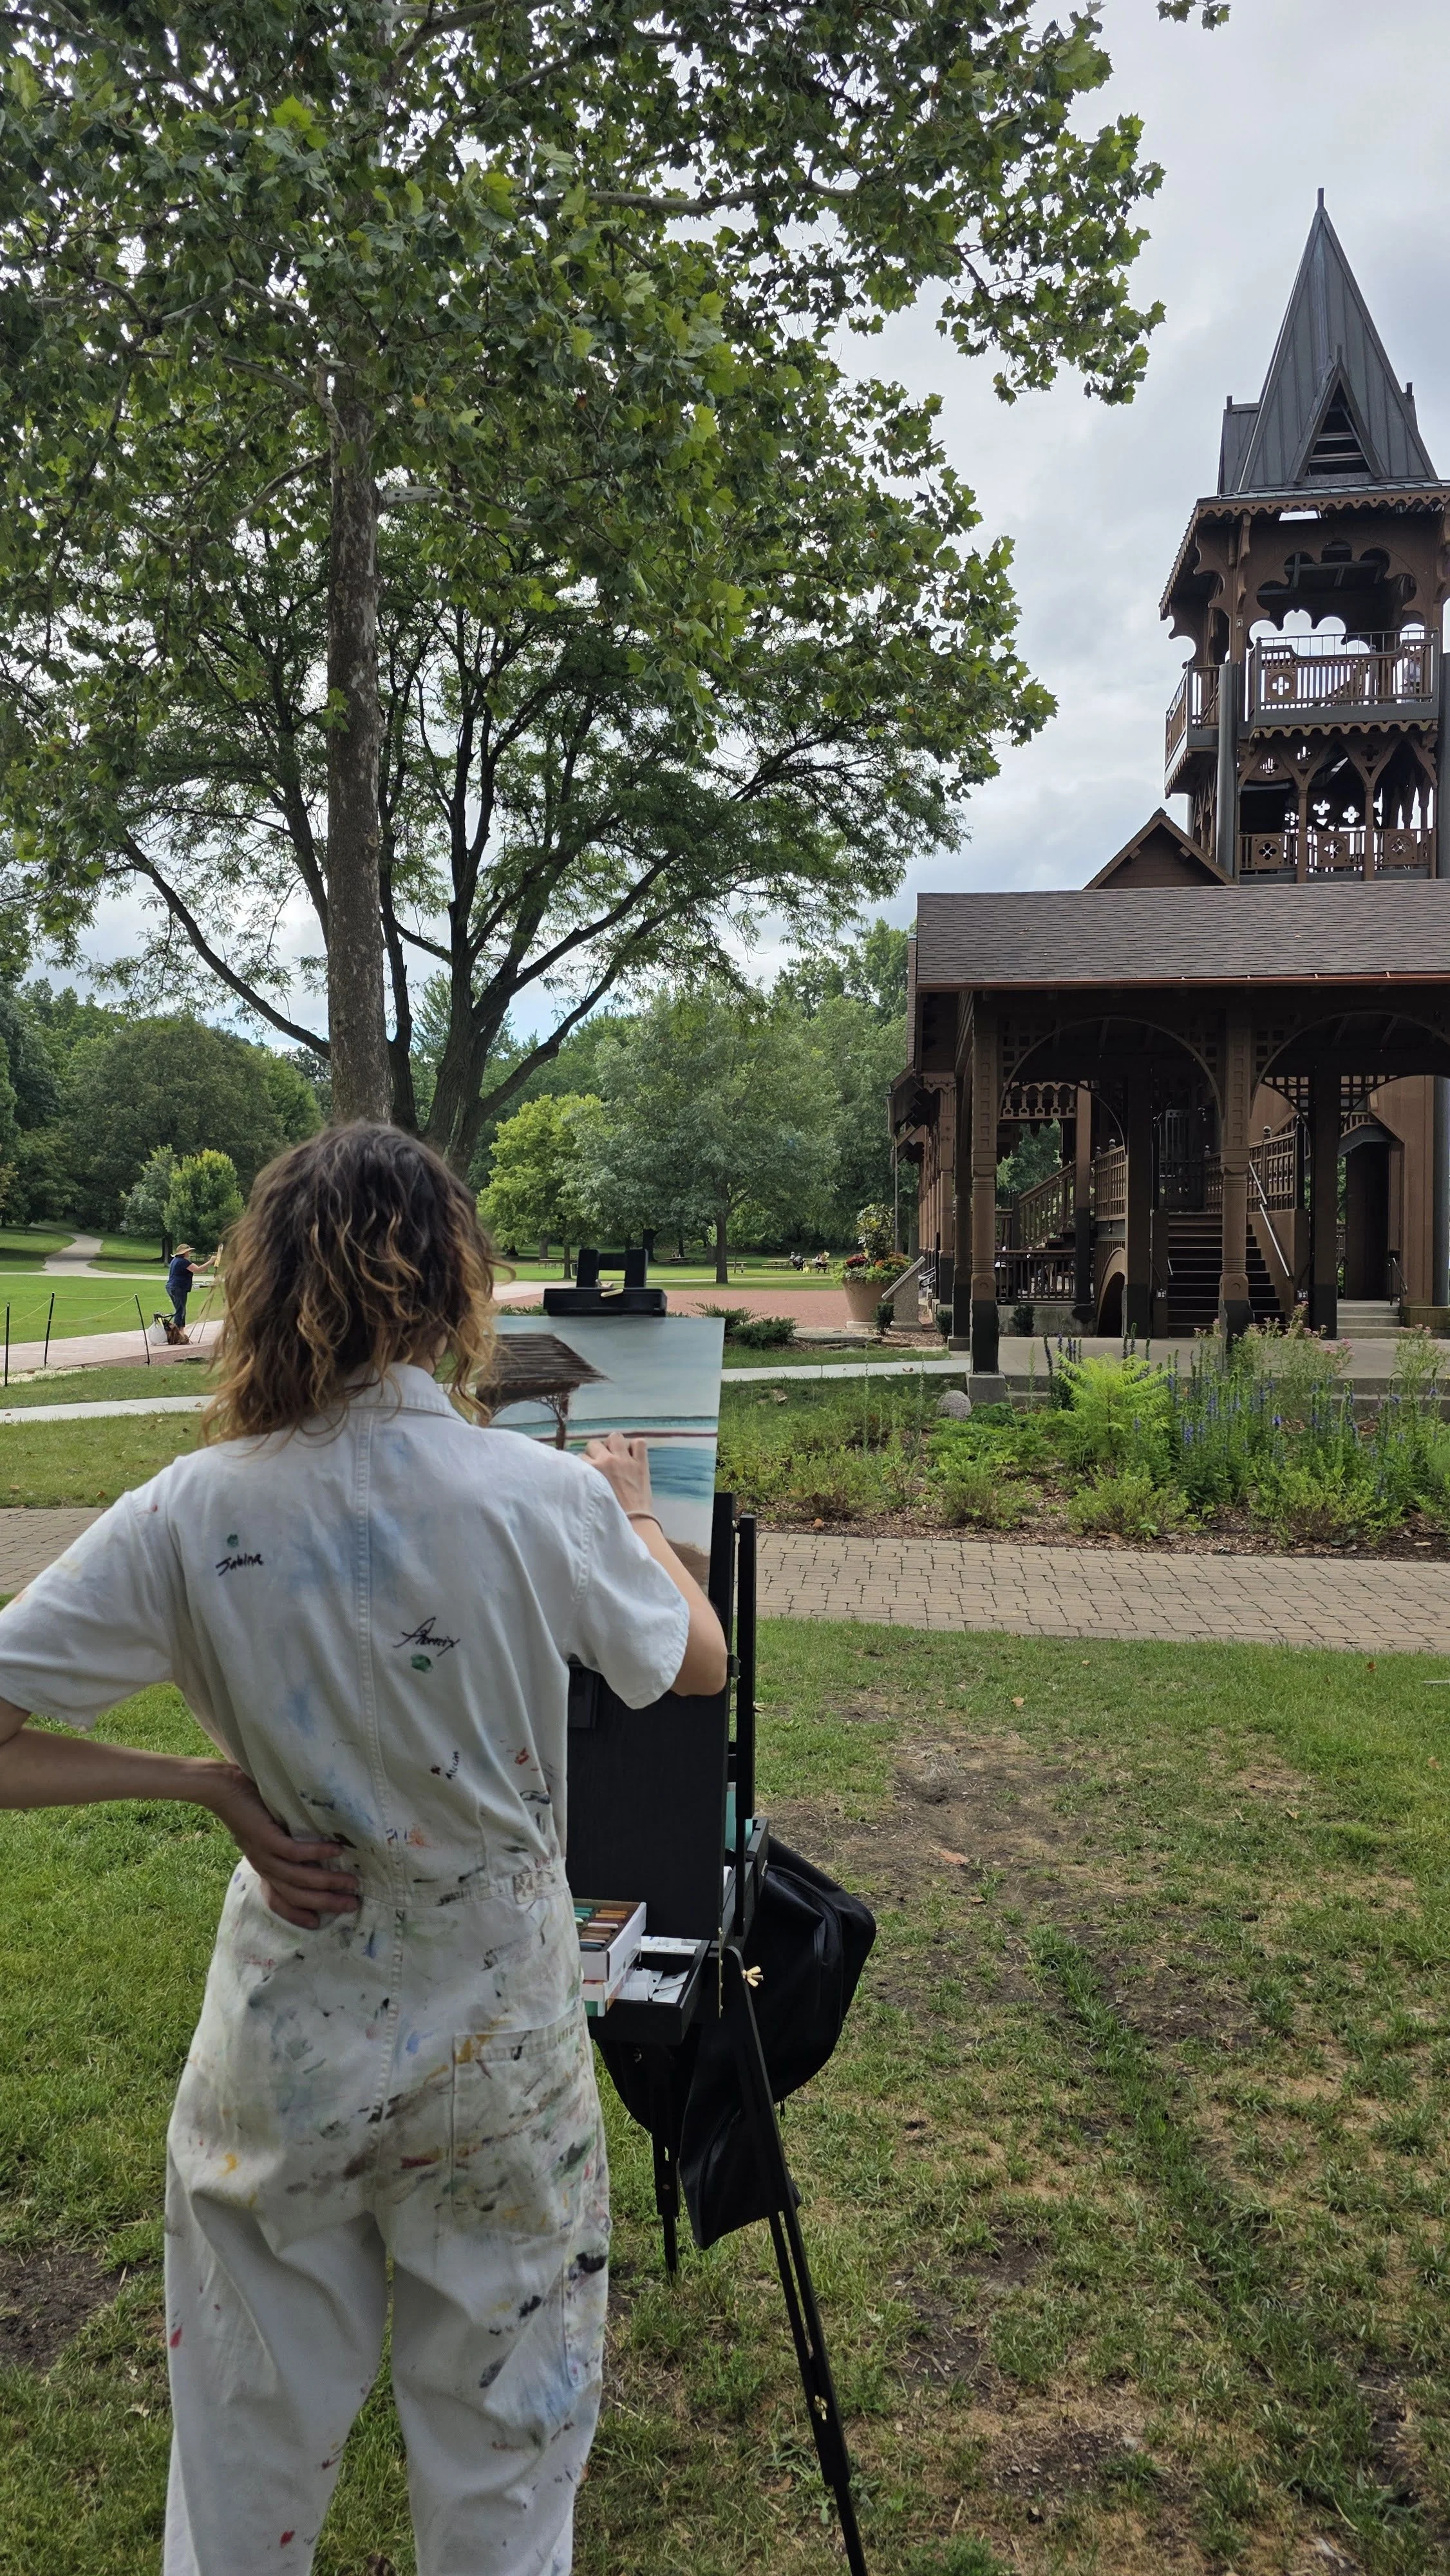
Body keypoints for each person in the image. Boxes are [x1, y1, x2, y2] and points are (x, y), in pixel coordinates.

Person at [0, 1122, 726, 2576]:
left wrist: (207, 1783)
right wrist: (645, 1515)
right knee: (507, 2452)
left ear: (261, 1285)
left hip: (285, 2046)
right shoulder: (543, 1495)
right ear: (453, 1279)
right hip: (501, 2043)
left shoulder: (190, 1508)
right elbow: (694, 1662)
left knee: (244, 2450)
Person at [165, 1241, 212, 1334]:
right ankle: (179, 1332)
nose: (189, 1253)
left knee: (180, 1309)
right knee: (180, 1310)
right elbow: (198, 1270)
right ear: (184, 1253)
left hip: (172, 1287)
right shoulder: (183, 1261)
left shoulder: (175, 1260)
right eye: (188, 1252)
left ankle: (180, 1330)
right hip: (178, 1287)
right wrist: (211, 1261)